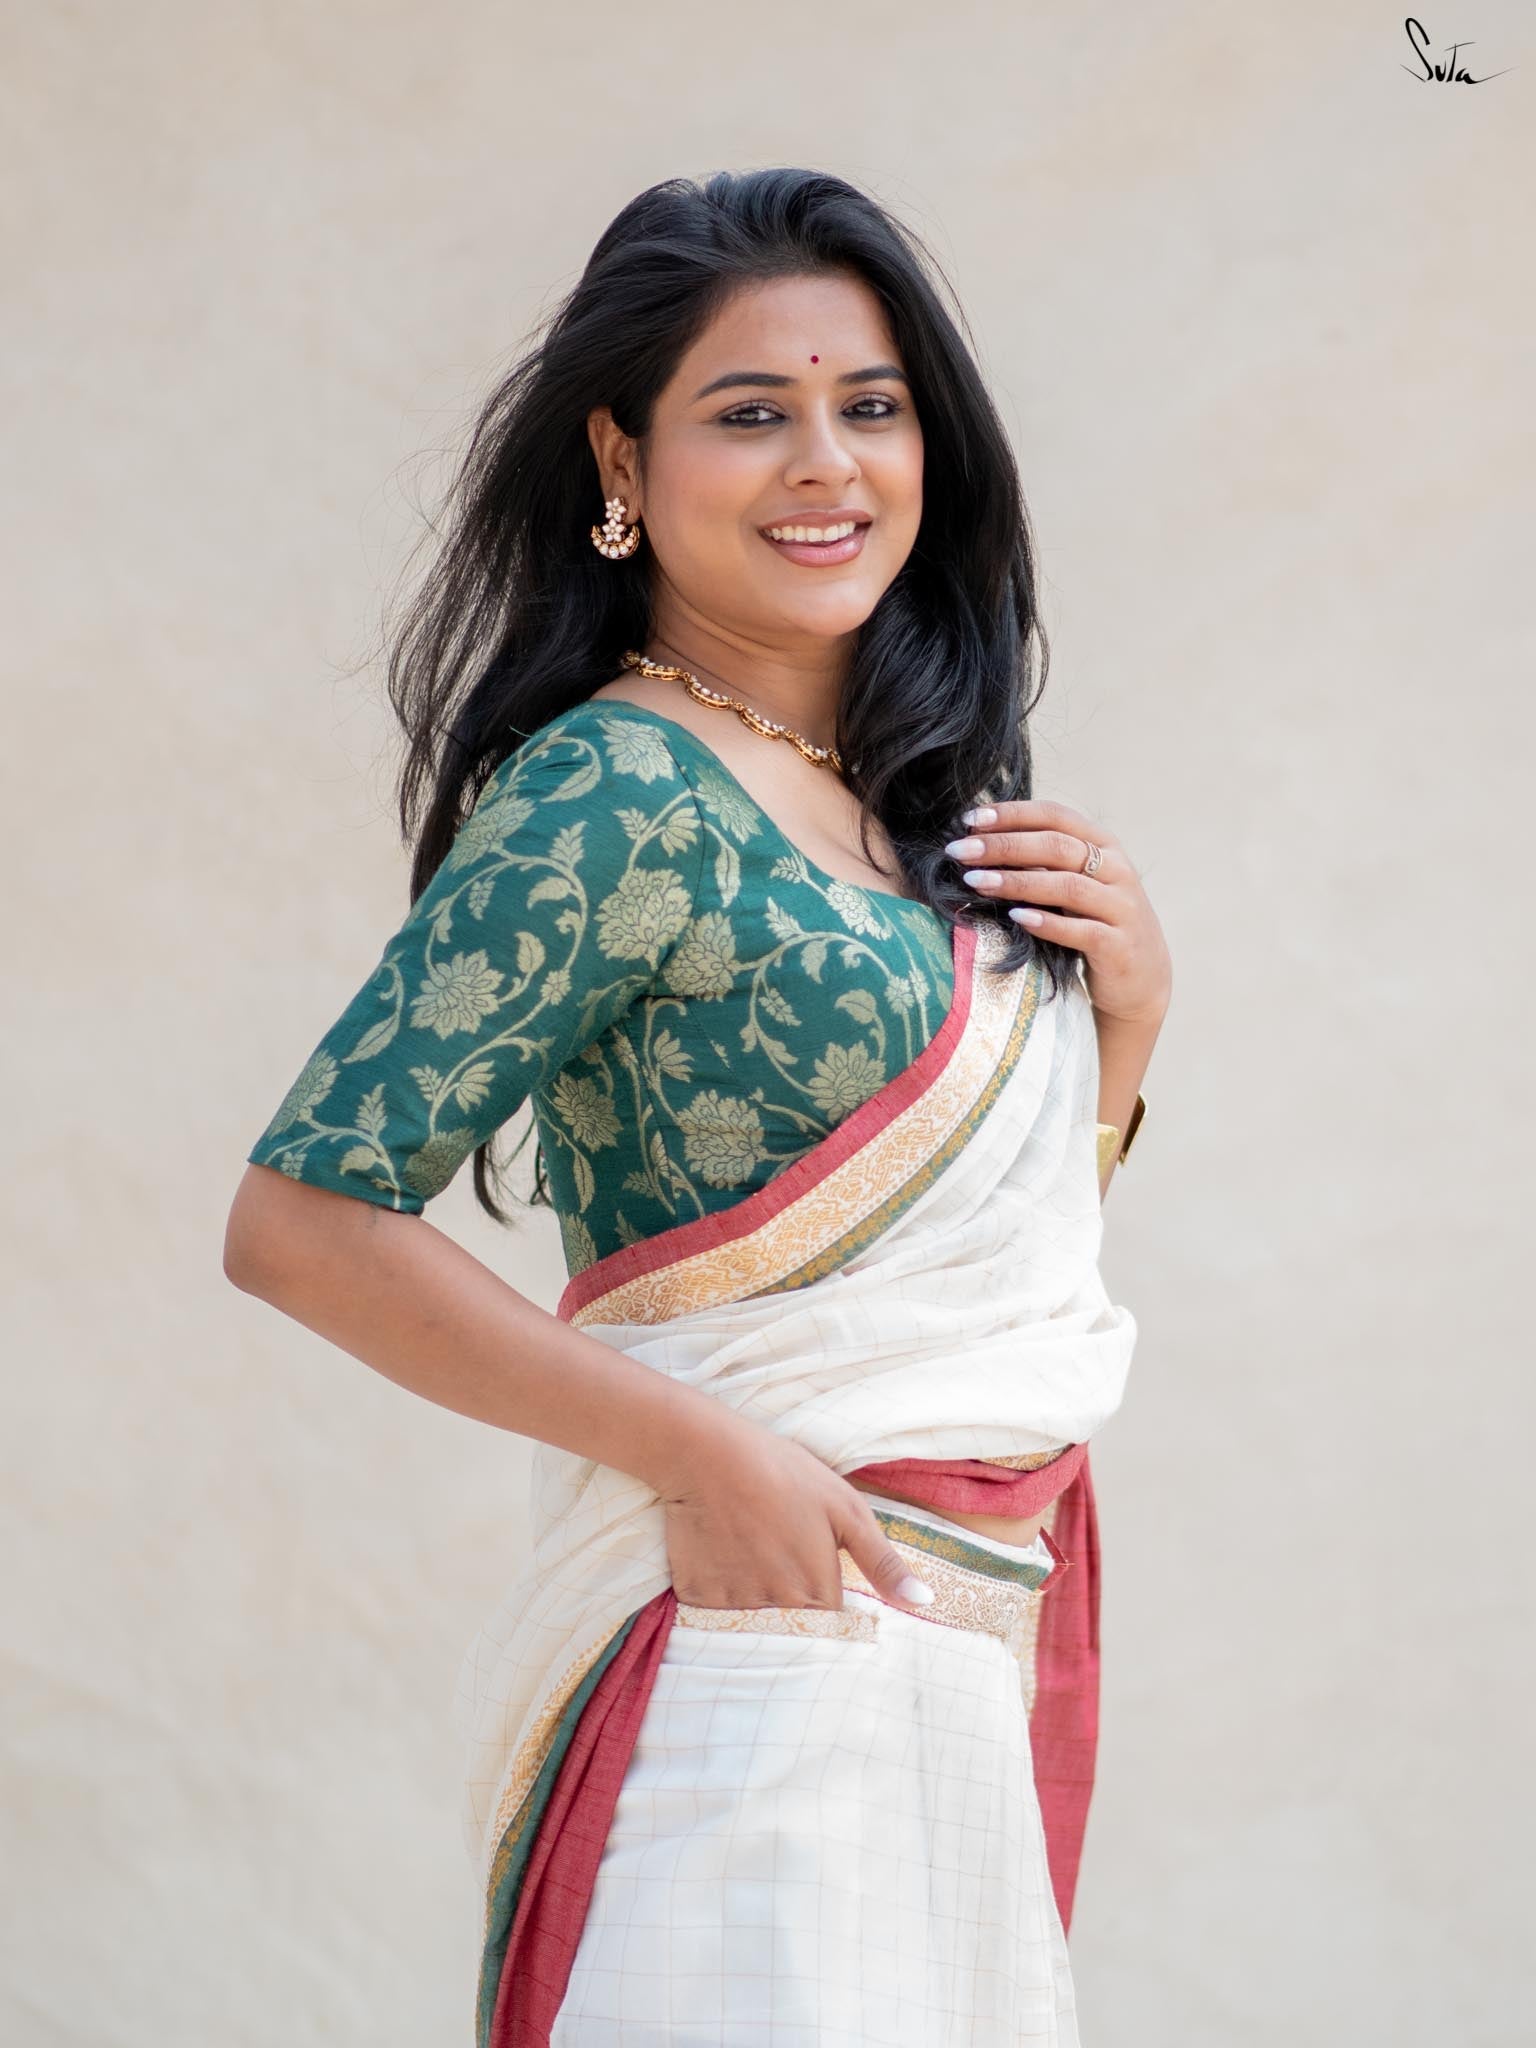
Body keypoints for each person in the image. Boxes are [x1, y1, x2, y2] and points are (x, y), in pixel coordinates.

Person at [224, 167, 1171, 2048]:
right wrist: (704, 1457)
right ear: (623, 461)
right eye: (751, 414)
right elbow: (301, 1223)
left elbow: (980, 1284)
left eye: (871, 405)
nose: (826, 463)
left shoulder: (924, 797)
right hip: (754, 1646)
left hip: (961, 1632)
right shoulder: (612, 793)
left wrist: (1129, 1020)